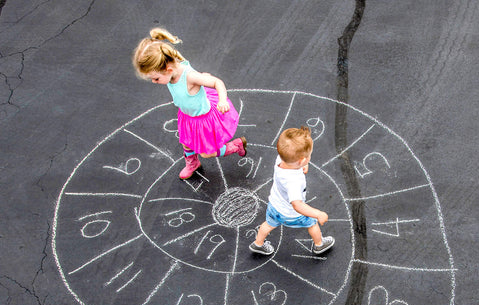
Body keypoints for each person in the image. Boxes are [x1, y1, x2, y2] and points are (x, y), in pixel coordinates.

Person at [133, 28, 246, 179]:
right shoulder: (171, 67)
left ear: (168, 69)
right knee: (187, 143)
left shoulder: (190, 76)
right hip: (188, 117)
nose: (154, 82)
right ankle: (193, 164)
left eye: (156, 78)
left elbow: (217, 82)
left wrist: (222, 100)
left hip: (203, 119)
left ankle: (236, 145)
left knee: (207, 153)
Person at [249, 126, 335, 256]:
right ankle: (319, 245)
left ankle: (258, 244)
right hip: (292, 214)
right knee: (312, 224)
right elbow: (297, 205)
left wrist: (302, 165)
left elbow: (293, 161)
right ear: (301, 160)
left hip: (274, 206)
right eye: (308, 156)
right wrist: (317, 214)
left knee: (268, 224)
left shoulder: (281, 159)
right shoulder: (294, 181)